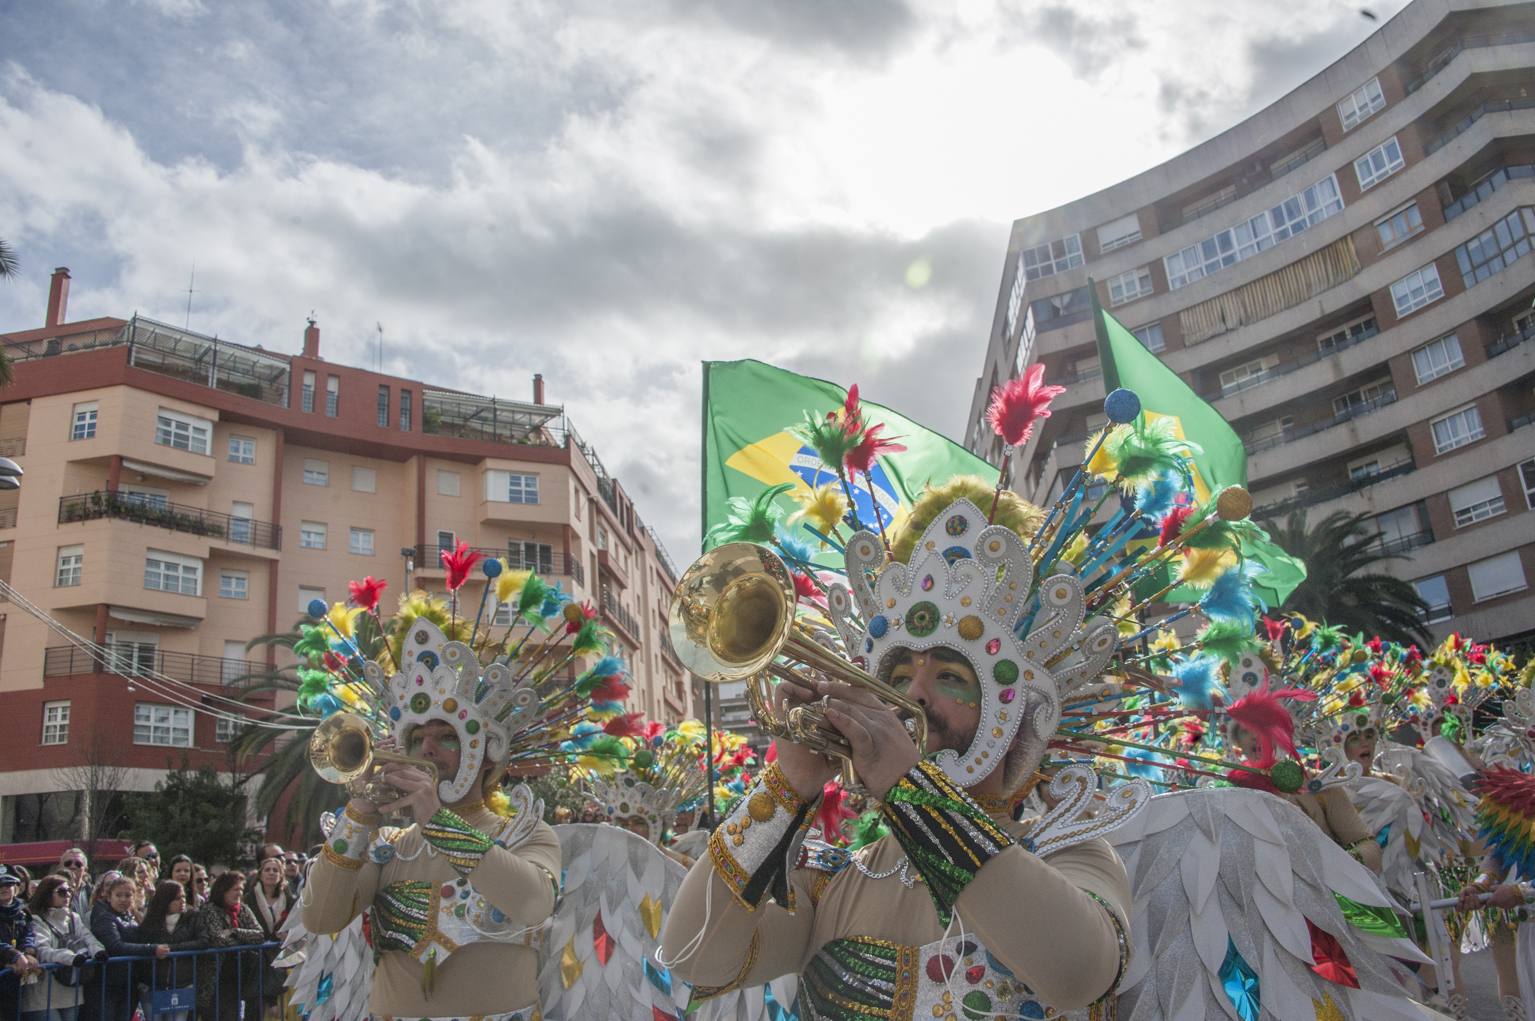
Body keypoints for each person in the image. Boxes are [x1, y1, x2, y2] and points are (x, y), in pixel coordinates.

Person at [660, 481, 1134, 1017]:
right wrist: (786, 785)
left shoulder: (1072, 855)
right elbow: (691, 956)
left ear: (1015, 710)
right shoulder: (836, 881)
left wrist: (910, 790)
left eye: (952, 675)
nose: (912, 693)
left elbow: (1077, 972)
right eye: (900, 672)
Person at [299, 581, 606, 1021]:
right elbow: (320, 917)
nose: (427, 750)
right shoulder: (386, 845)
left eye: (447, 738)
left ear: (484, 756)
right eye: (417, 738)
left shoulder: (524, 834)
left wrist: (435, 820)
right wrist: (361, 812)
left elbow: (533, 904)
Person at [23, 874, 105, 1021]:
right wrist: (71, 957)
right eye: (61, 892)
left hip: (72, 989)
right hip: (43, 993)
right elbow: (42, 950)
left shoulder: (74, 918)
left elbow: (89, 938)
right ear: (47, 893)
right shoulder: (35, 919)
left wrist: (98, 952)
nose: (67, 895)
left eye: (69, 891)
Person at [187, 870, 265, 1021]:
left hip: (238, 977)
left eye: (241, 890)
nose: (239, 893)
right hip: (215, 977)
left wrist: (234, 931)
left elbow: (260, 935)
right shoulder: (210, 910)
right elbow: (219, 940)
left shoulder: (243, 909)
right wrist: (244, 940)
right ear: (224, 890)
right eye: (236, 889)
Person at [88, 874, 167, 1021]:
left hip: (129, 981)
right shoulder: (104, 916)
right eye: (118, 895)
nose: (123, 899)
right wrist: (151, 949)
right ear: (109, 896)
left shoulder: (131, 916)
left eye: (128, 895)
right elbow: (115, 945)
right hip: (108, 983)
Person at [134, 882, 201, 1021]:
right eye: (177, 898)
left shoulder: (193, 917)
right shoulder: (151, 920)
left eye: (183, 897)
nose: (182, 901)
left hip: (181, 984)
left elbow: (203, 941)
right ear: (166, 900)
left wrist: (172, 949)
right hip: (152, 984)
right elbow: (142, 944)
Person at [242, 858, 289, 1019]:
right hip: (256, 959)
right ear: (260, 874)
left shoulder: (289, 897)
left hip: (280, 957)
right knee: (255, 1007)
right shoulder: (249, 898)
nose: (271, 873)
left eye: (275, 870)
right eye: (267, 869)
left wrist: (288, 933)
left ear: (281, 874)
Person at [2, 866, 41, 1021]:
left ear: (16, 887)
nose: (3, 889)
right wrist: (14, 955)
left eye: (8, 885)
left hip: (14, 979)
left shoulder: (23, 912)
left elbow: (29, 934)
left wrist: (28, 952)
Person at [56, 851, 91, 924]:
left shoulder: (92, 892)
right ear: (60, 867)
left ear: (85, 870)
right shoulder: (54, 892)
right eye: (68, 863)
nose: (73, 866)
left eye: (78, 864)